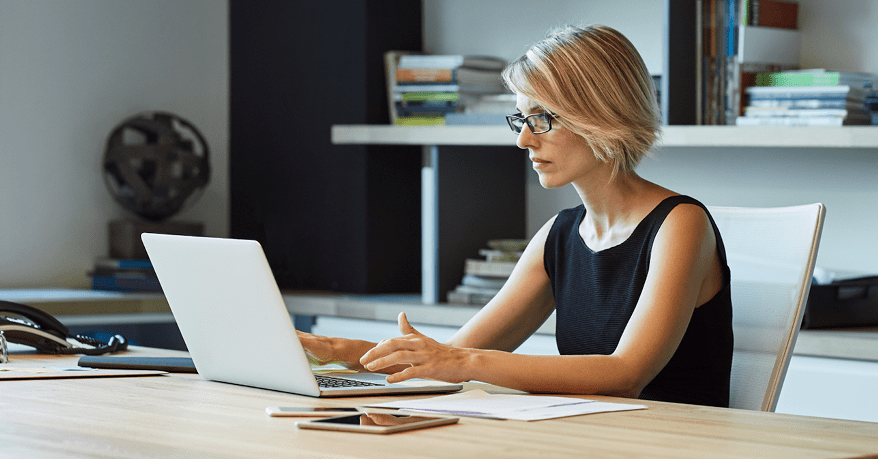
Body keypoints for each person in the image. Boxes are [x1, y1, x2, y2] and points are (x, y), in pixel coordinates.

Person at [298, 24, 733, 407]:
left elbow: (625, 376)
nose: (524, 140)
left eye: (542, 118)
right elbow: (452, 354)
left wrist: (462, 361)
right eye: (521, 119)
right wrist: (336, 348)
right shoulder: (560, 234)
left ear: (601, 113)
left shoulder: (681, 224)